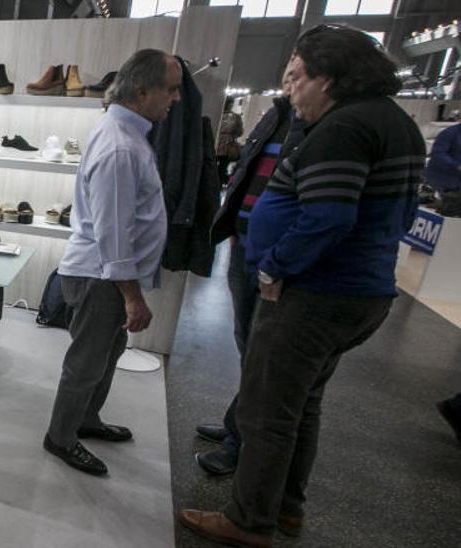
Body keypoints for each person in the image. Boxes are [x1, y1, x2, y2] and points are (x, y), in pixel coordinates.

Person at [180, 25, 424, 547]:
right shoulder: (395, 124)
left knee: (266, 412)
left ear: (328, 78)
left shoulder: (345, 128)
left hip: (315, 294)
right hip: (361, 289)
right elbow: (395, 215)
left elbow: (327, 219)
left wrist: (275, 267)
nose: (290, 91)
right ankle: (286, 508)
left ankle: (249, 521)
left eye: (297, 79)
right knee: (302, 404)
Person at [43, 49, 182, 476]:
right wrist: (133, 297)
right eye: (172, 89)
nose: (176, 99)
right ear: (143, 90)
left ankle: (85, 419)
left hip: (105, 275)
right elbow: (113, 234)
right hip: (100, 276)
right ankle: (60, 437)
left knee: (106, 352)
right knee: (87, 361)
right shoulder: (121, 147)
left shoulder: (127, 134)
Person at [197, 86, 306, 476]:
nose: (291, 81)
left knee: (266, 357)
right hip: (247, 246)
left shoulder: (327, 125)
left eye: (299, 72)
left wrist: (276, 264)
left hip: (278, 260)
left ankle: (240, 445)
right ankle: (237, 427)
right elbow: (246, 170)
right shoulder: (277, 115)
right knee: (249, 347)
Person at [216, 97, 244, 185]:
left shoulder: (217, 114)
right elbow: (240, 132)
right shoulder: (236, 117)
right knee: (223, 167)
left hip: (215, 143)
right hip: (228, 146)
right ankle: (219, 185)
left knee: (211, 166)